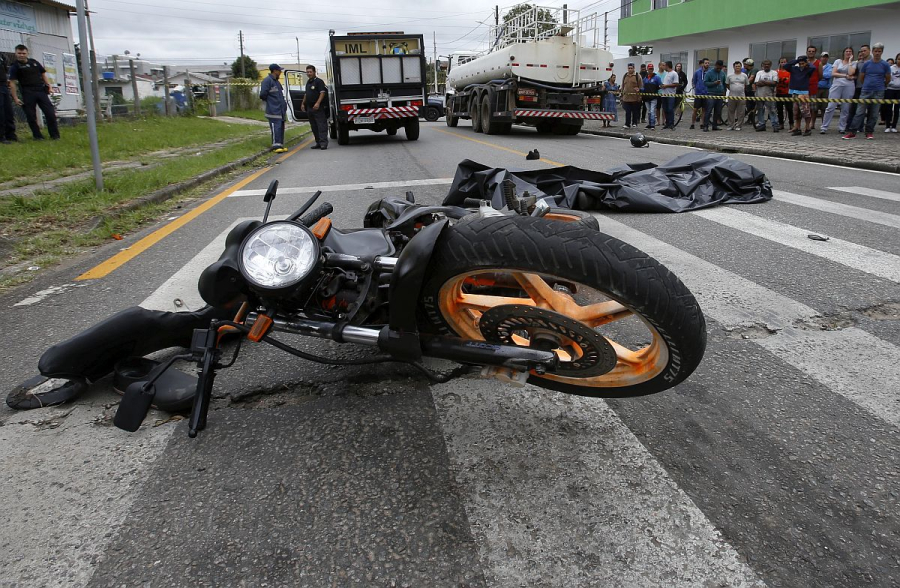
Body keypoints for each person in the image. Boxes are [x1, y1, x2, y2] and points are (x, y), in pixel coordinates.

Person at [8, 44, 59, 141]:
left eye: (23, 53)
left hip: (40, 90)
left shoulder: (34, 62)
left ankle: (55, 135)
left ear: (27, 53)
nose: (21, 55)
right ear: (16, 54)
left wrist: (49, 86)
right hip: (27, 92)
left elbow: (43, 73)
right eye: (19, 53)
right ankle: (38, 136)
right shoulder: (15, 66)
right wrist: (15, 98)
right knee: (31, 116)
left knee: (50, 113)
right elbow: (12, 83)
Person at [843, 42, 892, 139]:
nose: (877, 53)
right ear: (872, 52)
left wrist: (882, 85)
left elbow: (888, 78)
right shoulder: (866, 64)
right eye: (876, 51)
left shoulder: (885, 64)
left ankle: (869, 132)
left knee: (874, 113)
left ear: (881, 52)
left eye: (879, 51)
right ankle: (852, 132)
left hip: (879, 91)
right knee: (859, 112)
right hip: (866, 90)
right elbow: (861, 77)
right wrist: (867, 84)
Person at [820, 46, 856, 134]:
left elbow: (851, 72)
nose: (848, 53)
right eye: (846, 51)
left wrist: (850, 61)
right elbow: (833, 73)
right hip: (837, 85)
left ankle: (842, 127)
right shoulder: (837, 61)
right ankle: (824, 127)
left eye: (850, 51)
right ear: (844, 52)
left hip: (849, 86)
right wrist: (845, 76)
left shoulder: (854, 63)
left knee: (845, 107)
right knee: (830, 106)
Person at [259, 63, 288, 153]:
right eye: (279, 70)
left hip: (280, 110)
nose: (280, 72)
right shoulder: (267, 81)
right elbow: (263, 95)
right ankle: (275, 145)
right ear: (275, 71)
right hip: (273, 110)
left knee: (280, 127)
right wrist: (272, 103)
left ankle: (280, 144)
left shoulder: (277, 82)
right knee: (276, 127)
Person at [784, 55, 815, 135]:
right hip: (794, 92)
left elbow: (813, 67)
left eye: (803, 63)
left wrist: (807, 62)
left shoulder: (808, 70)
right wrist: (796, 61)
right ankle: (797, 128)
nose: (801, 65)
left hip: (803, 93)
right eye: (800, 63)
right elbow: (786, 66)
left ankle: (807, 128)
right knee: (796, 111)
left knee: (805, 111)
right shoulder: (794, 69)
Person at [301, 64, 328, 150]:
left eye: (310, 72)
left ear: (314, 72)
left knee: (321, 125)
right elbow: (306, 94)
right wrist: (303, 103)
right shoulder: (308, 82)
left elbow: (322, 93)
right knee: (314, 126)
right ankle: (318, 142)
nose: (309, 73)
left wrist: (318, 103)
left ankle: (323, 143)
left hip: (317, 107)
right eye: (307, 72)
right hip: (309, 107)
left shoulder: (319, 81)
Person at [846, 44, 871, 125]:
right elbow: (852, 73)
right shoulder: (858, 63)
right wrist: (850, 62)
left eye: (864, 51)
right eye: (861, 52)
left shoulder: (873, 62)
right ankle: (850, 126)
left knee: (868, 110)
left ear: (869, 51)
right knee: (854, 108)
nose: (862, 54)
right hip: (858, 87)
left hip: (869, 88)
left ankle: (864, 127)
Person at [753, 60, 779, 131]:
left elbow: (774, 83)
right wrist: (768, 82)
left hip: (770, 95)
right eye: (765, 64)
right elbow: (757, 83)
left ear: (770, 65)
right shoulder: (759, 73)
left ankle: (775, 125)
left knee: (772, 110)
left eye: (768, 64)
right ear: (762, 65)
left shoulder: (774, 73)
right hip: (759, 94)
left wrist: (763, 82)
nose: (766, 66)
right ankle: (761, 124)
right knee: (760, 110)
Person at [703, 59, 726, 131]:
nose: (719, 69)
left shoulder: (722, 73)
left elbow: (724, 83)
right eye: (718, 67)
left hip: (720, 94)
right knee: (709, 110)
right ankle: (705, 125)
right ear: (715, 65)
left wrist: (724, 91)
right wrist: (714, 83)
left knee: (718, 111)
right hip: (711, 93)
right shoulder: (709, 73)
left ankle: (714, 125)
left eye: (720, 68)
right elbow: (705, 83)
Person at [725, 61, 748, 130]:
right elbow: (727, 84)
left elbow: (746, 85)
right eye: (736, 66)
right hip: (732, 96)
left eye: (739, 66)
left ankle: (739, 125)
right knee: (730, 111)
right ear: (733, 67)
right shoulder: (729, 76)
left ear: (741, 67)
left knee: (741, 112)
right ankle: (730, 125)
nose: (737, 67)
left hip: (741, 96)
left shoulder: (744, 75)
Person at [0, 55, 17, 143]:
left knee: (8, 111)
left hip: (4, 86)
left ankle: (11, 135)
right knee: (1, 113)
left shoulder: (2, 56)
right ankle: (1, 137)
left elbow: (6, 70)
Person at [804, 46, 822, 129]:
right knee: (804, 105)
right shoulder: (803, 62)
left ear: (815, 52)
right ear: (807, 52)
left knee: (813, 107)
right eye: (809, 51)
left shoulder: (819, 62)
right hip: (803, 86)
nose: (811, 52)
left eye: (813, 51)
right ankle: (806, 122)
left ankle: (812, 123)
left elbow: (820, 75)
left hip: (813, 86)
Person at [620, 63, 643, 129]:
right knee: (627, 111)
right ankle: (627, 124)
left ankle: (634, 123)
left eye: (631, 68)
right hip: (626, 97)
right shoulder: (625, 75)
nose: (630, 69)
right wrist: (621, 95)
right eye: (629, 68)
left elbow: (641, 86)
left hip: (635, 97)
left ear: (634, 68)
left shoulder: (637, 76)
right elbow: (623, 86)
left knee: (635, 111)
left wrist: (640, 95)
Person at [881, 52, 899, 132]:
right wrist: (893, 84)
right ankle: (888, 126)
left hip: (899, 91)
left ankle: (894, 126)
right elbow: (887, 78)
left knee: (897, 109)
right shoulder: (891, 68)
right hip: (890, 89)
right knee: (888, 107)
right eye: (899, 59)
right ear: (896, 59)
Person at [775, 56, 794, 131]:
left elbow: (790, 81)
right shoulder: (776, 72)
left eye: (784, 62)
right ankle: (781, 123)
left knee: (789, 109)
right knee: (779, 109)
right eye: (781, 62)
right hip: (778, 92)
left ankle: (791, 123)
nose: (783, 63)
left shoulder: (790, 72)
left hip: (788, 92)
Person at [659, 61, 679, 129]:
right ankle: (667, 123)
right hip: (664, 94)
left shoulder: (674, 73)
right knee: (665, 109)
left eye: (664, 65)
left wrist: (667, 86)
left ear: (667, 66)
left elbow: (676, 84)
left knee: (670, 109)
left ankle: (671, 123)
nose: (663, 67)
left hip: (670, 94)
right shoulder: (666, 74)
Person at [691, 58, 709, 129]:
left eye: (708, 63)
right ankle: (692, 123)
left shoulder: (710, 72)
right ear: (703, 64)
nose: (707, 64)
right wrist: (696, 88)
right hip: (698, 93)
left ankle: (702, 123)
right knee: (695, 109)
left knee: (704, 109)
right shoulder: (697, 72)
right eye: (706, 63)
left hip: (706, 93)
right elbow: (694, 81)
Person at [815, 51, 832, 126]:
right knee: (814, 107)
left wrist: (820, 75)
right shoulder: (817, 64)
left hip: (825, 89)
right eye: (823, 56)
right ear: (820, 57)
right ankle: (812, 123)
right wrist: (820, 76)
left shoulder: (830, 66)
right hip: (816, 88)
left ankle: (823, 123)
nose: (824, 58)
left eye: (826, 57)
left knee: (824, 107)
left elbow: (829, 75)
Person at [642, 63, 661, 129]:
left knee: (652, 111)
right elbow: (643, 87)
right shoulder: (645, 78)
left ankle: (653, 124)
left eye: (651, 69)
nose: (650, 70)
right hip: (646, 98)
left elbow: (660, 85)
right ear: (647, 69)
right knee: (649, 111)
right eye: (649, 69)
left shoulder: (657, 78)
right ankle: (649, 124)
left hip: (653, 97)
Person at [742, 58, 757, 126]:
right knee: (748, 105)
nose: (744, 65)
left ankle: (752, 119)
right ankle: (749, 119)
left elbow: (751, 79)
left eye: (746, 64)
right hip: (746, 90)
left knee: (752, 105)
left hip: (752, 90)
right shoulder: (745, 71)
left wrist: (742, 83)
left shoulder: (754, 70)